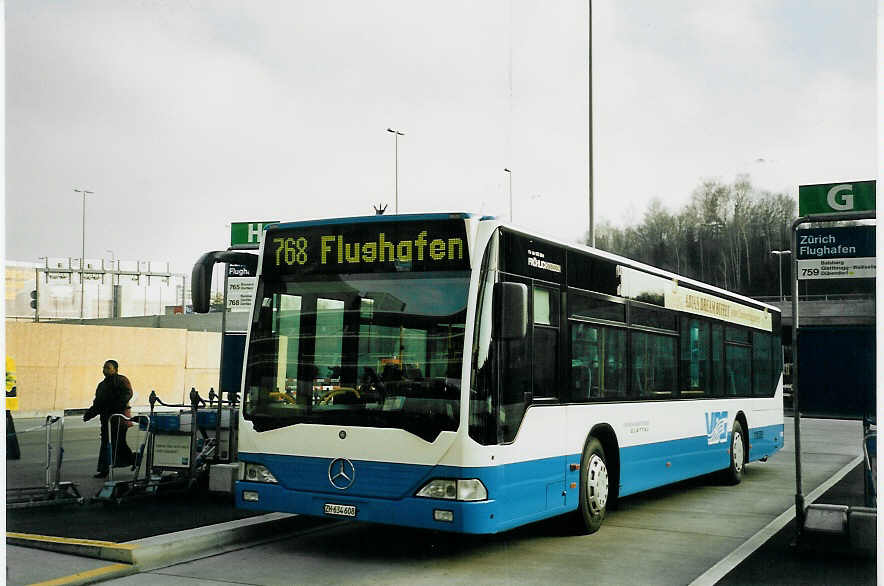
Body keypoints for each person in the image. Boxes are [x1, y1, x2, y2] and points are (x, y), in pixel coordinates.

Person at [83, 359, 134, 478]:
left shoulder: (122, 380)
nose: (105, 370)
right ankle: (104, 469)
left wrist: (114, 407)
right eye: (104, 367)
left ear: (115, 369)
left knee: (119, 443)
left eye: (108, 368)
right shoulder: (102, 385)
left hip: (119, 419)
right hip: (106, 419)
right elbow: (98, 403)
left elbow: (127, 394)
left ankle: (133, 459)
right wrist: (89, 414)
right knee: (106, 443)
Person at [6, 356, 20, 460]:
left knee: (7, 426)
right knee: (8, 427)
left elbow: (9, 382)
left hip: (5, 400)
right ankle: (12, 452)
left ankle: (11, 452)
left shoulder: (7, 361)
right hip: (6, 400)